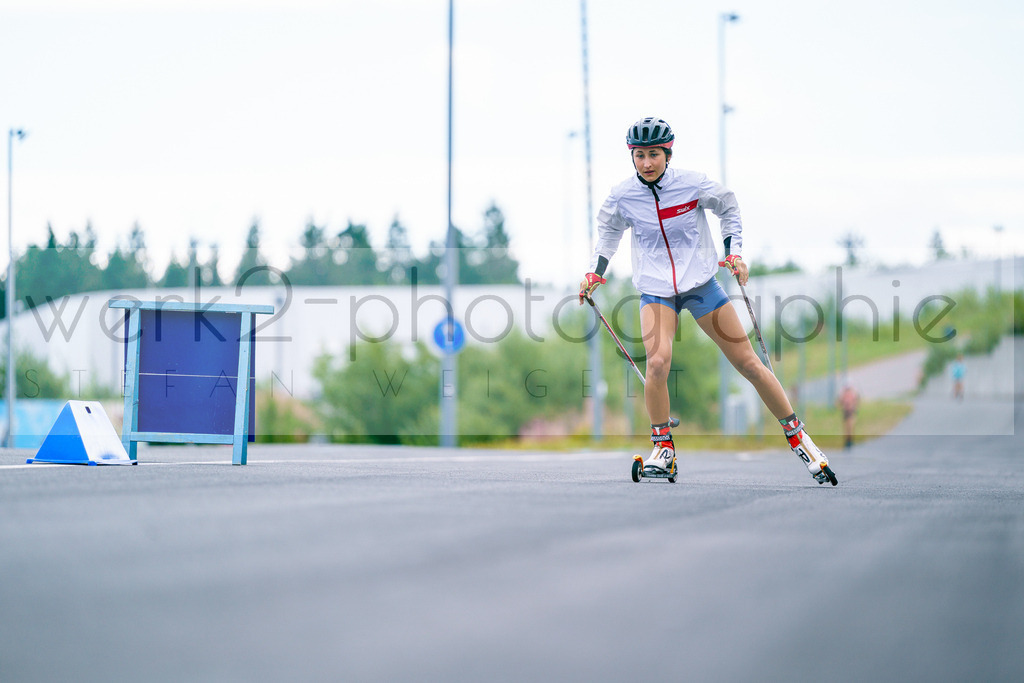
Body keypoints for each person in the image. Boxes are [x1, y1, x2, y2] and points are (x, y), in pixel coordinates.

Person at [578, 116, 835, 485]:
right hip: (656, 290)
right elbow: (607, 234)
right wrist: (594, 273)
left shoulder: (692, 184)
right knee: (657, 364)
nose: (647, 163)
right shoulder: (622, 196)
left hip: (701, 285)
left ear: (668, 153)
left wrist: (734, 252)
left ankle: (801, 439)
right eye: (639, 156)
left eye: (654, 154)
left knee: (748, 363)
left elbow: (728, 207)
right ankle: (663, 449)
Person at [837, 384, 859, 449]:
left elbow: (855, 401)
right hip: (846, 412)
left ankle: (850, 440)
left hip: (851, 411)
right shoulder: (844, 394)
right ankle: (847, 441)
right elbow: (840, 402)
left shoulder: (852, 394)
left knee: (850, 426)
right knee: (846, 427)